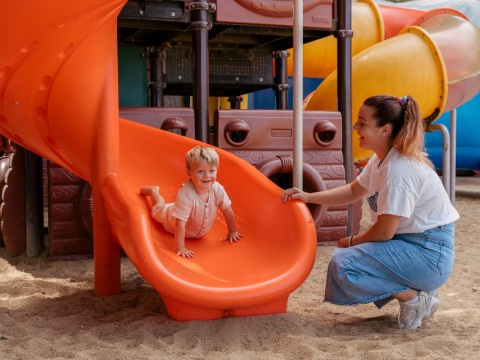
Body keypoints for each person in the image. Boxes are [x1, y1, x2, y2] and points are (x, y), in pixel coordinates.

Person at [282, 94, 459, 330]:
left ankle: (415, 298)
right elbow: (353, 191)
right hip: (415, 245)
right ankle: (417, 291)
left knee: (344, 265)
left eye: (362, 123)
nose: (355, 127)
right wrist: (308, 197)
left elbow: (385, 232)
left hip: (429, 254)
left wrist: (353, 241)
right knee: (344, 261)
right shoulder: (381, 160)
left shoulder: (398, 170)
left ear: (384, 129)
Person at [141, 145, 243, 259]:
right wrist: (180, 248)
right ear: (189, 173)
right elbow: (179, 223)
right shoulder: (186, 196)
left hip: (189, 210)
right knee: (158, 210)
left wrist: (232, 231)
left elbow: (227, 210)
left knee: (188, 195)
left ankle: (188, 186)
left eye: (211, 171)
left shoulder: (217, 189)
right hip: (171, 217)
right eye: (200, 171)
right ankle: (154, 191)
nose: (207, 176)